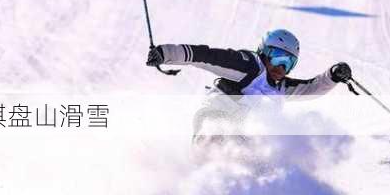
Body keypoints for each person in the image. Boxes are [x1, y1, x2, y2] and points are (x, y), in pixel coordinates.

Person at [146, 29, 352, 142]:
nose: (281, 67)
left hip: (243, 141)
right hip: (215, 122)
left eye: (289, 63)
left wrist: (333, 76)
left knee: (269, 152)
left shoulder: (279, 87)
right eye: (278, 57)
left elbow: (310, 88)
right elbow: (207, 56)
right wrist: (166, 54)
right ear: (264, 52)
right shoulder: (249, 66)